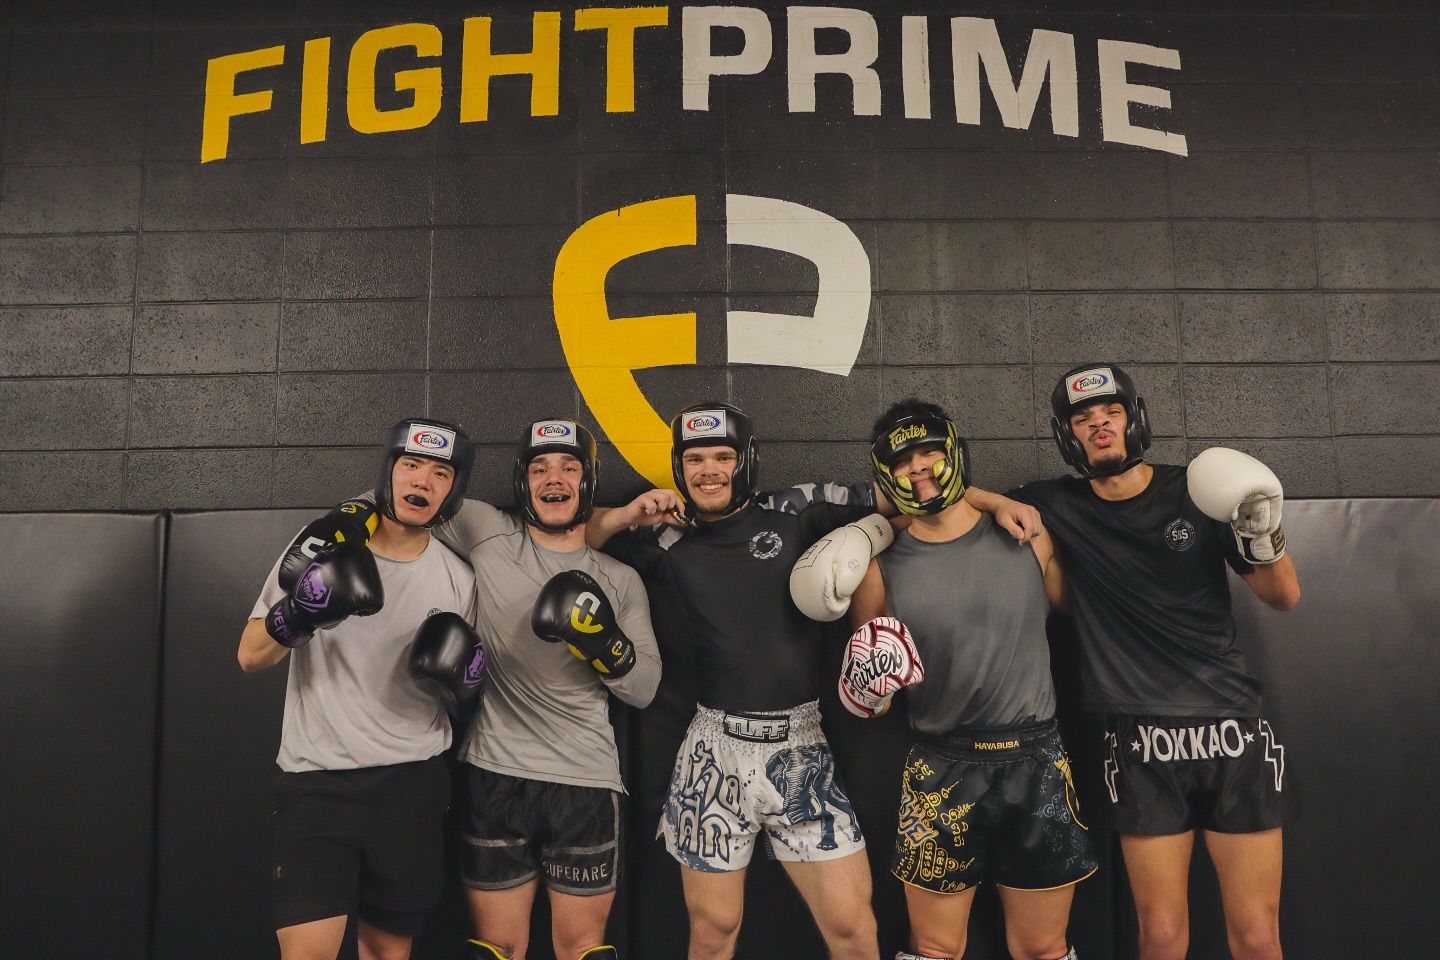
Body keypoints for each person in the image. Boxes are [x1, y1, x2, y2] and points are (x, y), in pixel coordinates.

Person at [305, 417, 666, 960]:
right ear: (523, 481)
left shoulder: (620, 580)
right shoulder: (487, 532)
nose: (555, 479)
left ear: (587, 483)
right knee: (494, 949)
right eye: (540, 467)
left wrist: (604, 643)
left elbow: (644, 690)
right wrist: (349, 519)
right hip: (494, 775)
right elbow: (395, 497)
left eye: (570, 468)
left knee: (584, 949)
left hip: (586, 781)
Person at [1001, 363, 1301, 960]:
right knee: (1160, 936)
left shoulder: (1197, 489)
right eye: (1083, 419)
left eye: (1110, 413)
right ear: (1069, 437)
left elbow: (1284, 597)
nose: (1100, 426)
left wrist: (1265, 535)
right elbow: (962, 505)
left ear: (1134, 418)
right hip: (1140, 737)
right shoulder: (1054, 503)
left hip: (1231, 727)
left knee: (1258, 935)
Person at [587, 400, 894, 960]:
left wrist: (870, 542)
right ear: (679, 468)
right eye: (695, 458)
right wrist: (627, 514)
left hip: (803, 745)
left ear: (746, 461)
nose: (708, 470)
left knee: (854, 928)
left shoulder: (794, 509)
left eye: (723, 456)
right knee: (713, 934)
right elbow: (575, 538)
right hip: (714, 752)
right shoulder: (663, 538)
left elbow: (908, 491)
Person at [842, 399, 1095, 960]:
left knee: (1045, 948)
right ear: (886, 474)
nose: (918, 467)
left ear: (953, 451)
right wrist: (868, 688)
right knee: (933, 948)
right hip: (940, 763)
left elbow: (1095, 622)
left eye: (928, 451)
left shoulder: (1028, 535)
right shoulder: (878, 569)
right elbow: (874, 696)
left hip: (1037, 761)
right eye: (902, 459)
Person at [238, 417, 485, 960]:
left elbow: (466, 698)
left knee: (387, 955)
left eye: (440, 472)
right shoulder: (319, 551)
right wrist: (300, 612)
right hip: (317, 785)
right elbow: (250, 654)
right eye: (411, 465)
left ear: (454, 488)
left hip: (411, 787)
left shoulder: (457, 580)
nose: (422, 481)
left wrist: (462, 679)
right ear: (388, 472)